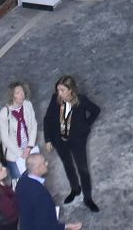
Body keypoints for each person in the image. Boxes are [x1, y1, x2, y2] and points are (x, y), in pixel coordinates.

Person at [43, 74, 102, 212]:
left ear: (71, 90)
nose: (59, 93)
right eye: (58, 89)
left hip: (77, 141)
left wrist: (86, 127)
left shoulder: (81, 101)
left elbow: (96, 110)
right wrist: (48, 139)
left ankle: (87, 198)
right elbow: (48, 119)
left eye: (62, 90)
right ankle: (75, 189)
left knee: (83, 170)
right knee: (68, 165)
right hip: (59, 140)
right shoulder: (55, 99)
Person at [15, 151, 82, 230]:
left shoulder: (22, 181)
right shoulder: (39, 194)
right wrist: (66, 227)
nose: (47, 163)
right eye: (44, 163)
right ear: (37, 170)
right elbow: (45, 225)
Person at [0, 81, 41, 176]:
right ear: (12, 96)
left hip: (29, 148)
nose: (21, 94)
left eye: (22, 91)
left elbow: (33, 124)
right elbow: (5, 138)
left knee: (35, 176)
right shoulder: (4, 113)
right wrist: (21, 154)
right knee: (19, 181)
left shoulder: (27, 104)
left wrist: (29, 147)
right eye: (17, 93)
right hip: (15, 155)